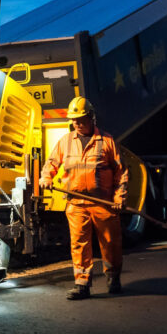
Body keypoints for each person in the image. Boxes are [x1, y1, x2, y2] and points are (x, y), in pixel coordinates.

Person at [39, 96, 128, 300]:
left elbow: (121, 172)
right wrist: (46, 177)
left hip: (103, 204)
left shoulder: (107, 141)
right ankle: (82, 284)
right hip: (76, 204)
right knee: (79, 244)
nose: (77, 124)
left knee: (110, 242)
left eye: (80, 119)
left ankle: (113, 277)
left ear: (91, 117)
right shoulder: (65, 142)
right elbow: (51, 163)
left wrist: (119, 196)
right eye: (74, 120)